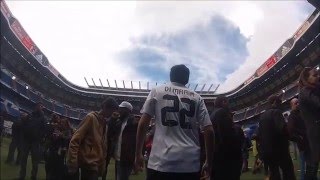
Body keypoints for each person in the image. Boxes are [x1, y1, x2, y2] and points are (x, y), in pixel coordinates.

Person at [135, 64, 214, 180]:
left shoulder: (157, 91)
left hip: (160, 162)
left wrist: (138, 154)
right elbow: (209, 131)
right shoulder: (197, 97)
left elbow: (143, 124)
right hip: (190, 163)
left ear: (171, 77)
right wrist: (208, 161)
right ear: (187, 79)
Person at [67, 97, 118, 180]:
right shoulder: (91, 118)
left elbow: (103, 146)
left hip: (95, 165)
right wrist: (73, 162)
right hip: (88, 163)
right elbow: (75, 140)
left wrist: (102, 166)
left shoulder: (104, 124)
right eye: (111, 111)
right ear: (105, 107)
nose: (111, 114)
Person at [258, 95, 296, 180]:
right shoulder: (276, 112)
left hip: (268, 151)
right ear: (274, 102)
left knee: (274, 174)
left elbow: (259, 134)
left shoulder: (262, 116)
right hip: (280, 149)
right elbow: (282, 129)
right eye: (279, 103)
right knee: (288, 172)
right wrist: (294, 137)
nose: (281, 105)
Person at [210, 96, 244, 180]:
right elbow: (228, 137)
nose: (228, 104)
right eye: (227, 102)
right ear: (223, 102)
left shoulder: (212, 114)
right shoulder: (222, 112)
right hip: (227, 158)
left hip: (218, 157)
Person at [298, 67, 320, 180]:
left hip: (315, 134)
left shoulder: (313, 90)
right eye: (315, 75)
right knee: (312, 169)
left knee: (313, 168)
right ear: (306, 78)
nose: (318, 77)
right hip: (315, 135)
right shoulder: (304, 92)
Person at [109, 101, 138, 180]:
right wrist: (112, 119)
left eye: (121, 109)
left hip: (127, 158)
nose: (119, 111)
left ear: (127, 110)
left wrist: (136, 157)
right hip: (118, 157)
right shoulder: (119, 122)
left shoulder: (134, 123)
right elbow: (110, 133)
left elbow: (137, 142)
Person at [19, 103, 46, 180]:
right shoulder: (30, 115)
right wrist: (24, 131)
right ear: (36, 106)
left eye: (41, 106)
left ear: (42, 108)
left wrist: (39, 138)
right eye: (38, 105)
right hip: (27, 140)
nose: (39, 107)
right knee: (23, 158)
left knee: (35, 161)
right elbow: (24, 124)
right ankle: (21, 176)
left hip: (35, 142)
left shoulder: (43, 118)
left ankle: (33, 177)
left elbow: (44, 130)